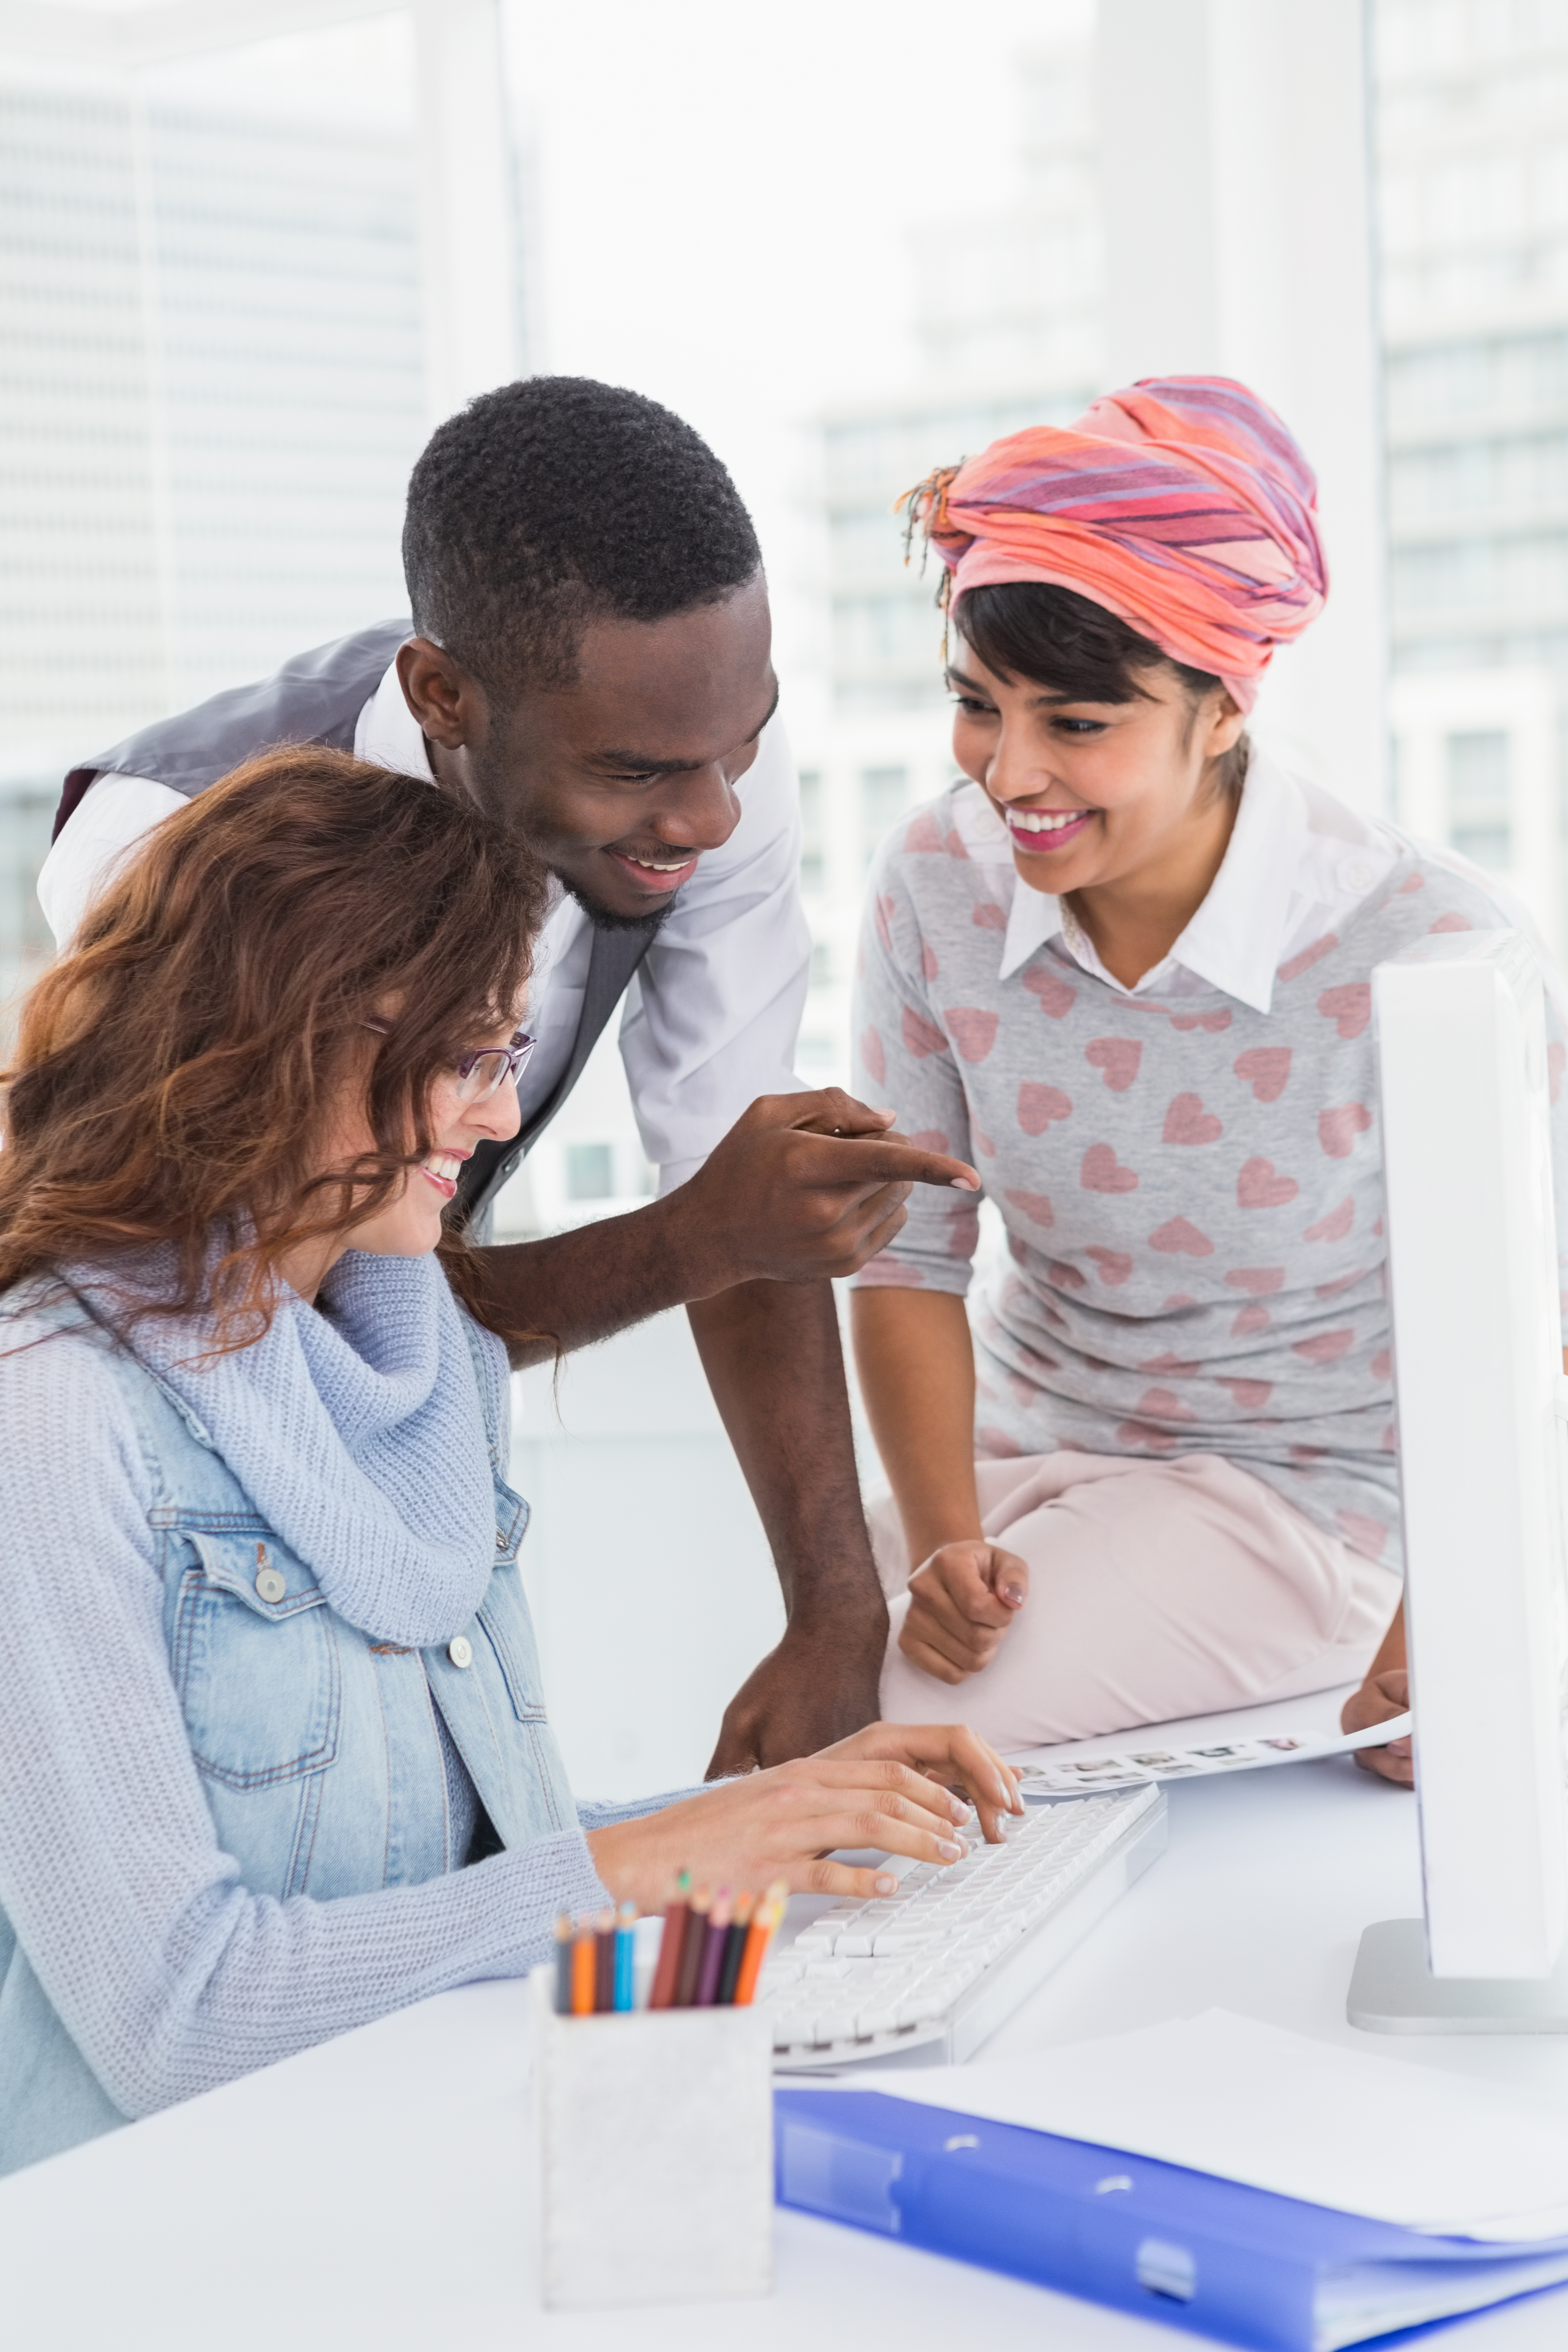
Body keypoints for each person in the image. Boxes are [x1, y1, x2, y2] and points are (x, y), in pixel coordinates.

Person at [0, 748, 1018, 2179]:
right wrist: (657, 1860)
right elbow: (177, 2013)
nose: (495, 1122)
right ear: (296, 1040)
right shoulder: (52, 1415)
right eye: (472, 1061)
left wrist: (788, 1813)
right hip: (155, 2226)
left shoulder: (426, 1362)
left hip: (396, 2152)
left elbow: (481, 1868)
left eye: (509, 1059)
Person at [38, 376, 978, 1777]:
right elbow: (281, 1337)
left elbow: (738, 1177)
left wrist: (835, 1612)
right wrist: (690, 1239)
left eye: (747, 742)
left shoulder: (694, 765)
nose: (714, 814)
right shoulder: (175, 855)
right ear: (443, 698)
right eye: (645, 771)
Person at [846, 374, 1568, 1789]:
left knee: (922, 1727)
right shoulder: (933, 884)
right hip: (1031, 1452)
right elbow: (906, 1259)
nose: (1010, 773)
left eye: (1078, 722)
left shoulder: (1427, 945)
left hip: (1307, 1502)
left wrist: (1453, 1640)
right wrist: (942, 1543)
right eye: (977, 707)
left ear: (1222, 708)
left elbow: (1535, 1328)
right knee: (815, 1666)